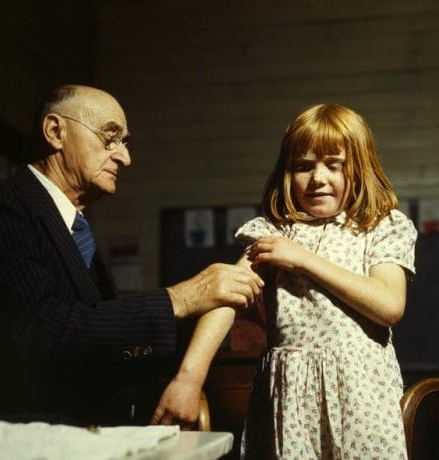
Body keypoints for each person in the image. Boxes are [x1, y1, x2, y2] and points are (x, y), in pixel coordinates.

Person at [0, 84, 263, 427]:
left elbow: (96, 339)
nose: (125, 157)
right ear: (55, 132)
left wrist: (188, 367)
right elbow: (35, 329)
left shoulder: (76, 230)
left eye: (124, 143)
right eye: (110, 138)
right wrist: (181, 299)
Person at [152, 104, 417, 457]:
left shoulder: (381, 226)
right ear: (287, 173)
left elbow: (389, 306)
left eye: (333, 165)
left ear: (360, 168)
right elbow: (225, 302)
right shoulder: (274, 233)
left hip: (361, 394)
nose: (317, 178)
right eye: (303, 166)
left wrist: (303, 259)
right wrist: (188, 379)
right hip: (288, 394)